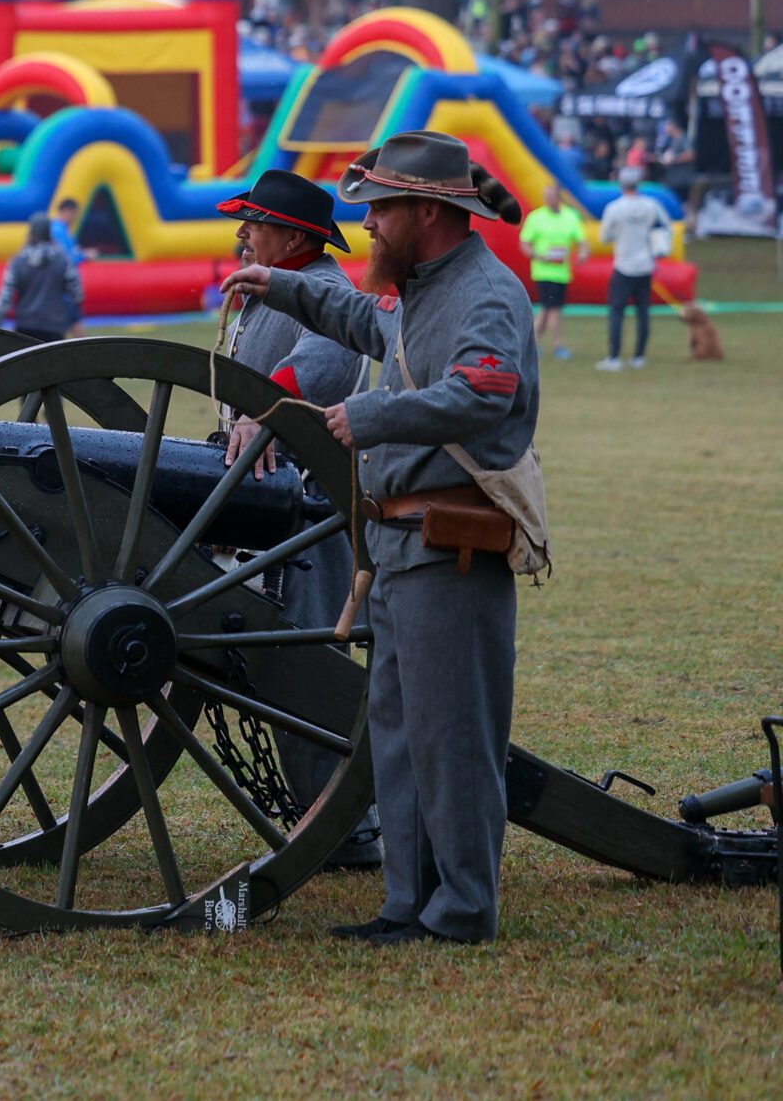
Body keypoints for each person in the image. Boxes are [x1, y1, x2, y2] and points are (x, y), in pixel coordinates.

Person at [220, 131, 540, 946]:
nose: (366, 223)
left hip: (450, 544)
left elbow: (483, 392)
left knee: (452, 738)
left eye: (380, 208)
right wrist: (280, 286)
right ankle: (408, 902)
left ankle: (461, 910)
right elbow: (362, 318)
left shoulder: (485, 293)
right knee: (396, 737)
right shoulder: (425, 288)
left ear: (427, 211)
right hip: (398, 545)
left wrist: (372, 414)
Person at [214, 169, 380, 869]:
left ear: (291, 238)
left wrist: (264, 412)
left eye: (254, 223)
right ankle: (327, 813)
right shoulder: (271, 290)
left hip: (310, 511)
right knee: (285, 666)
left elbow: (319, 365)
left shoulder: (326, 290)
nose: (242, 232)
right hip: (265, 502)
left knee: (310, 667)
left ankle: (349, 825)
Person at [595, 167, 671, 371]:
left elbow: (604, 236)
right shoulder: (651, 205)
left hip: (624, 265)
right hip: (646, 265)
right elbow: (665, 226)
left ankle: (614, 358)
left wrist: (619, 235)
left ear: (621, 185)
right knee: (643, 312)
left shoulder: (615, 208)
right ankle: (639, 356)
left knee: (616, 312)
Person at [518, 182, 585, 361]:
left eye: (551, 196)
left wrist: (583, 253)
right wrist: (538, 256)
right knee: (552, 309)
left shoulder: (570, 217)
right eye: (546, 196)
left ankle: (532, 345)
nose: (548, 199)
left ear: (559, 198)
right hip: (543, 272)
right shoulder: (536, 217)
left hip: (562, 273)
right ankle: (557, 345)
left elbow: (582, 241)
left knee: (549, 309)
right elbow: (524, 243)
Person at [0, 215, 84, 341]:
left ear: (31, 233)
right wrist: (70, 314)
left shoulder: (18, 261)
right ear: (49, 233)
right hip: (54, 327)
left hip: (25, 326)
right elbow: (77, 293)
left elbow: (5, 297)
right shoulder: (62, 259)